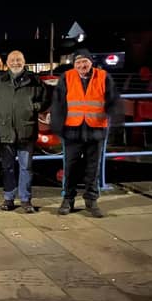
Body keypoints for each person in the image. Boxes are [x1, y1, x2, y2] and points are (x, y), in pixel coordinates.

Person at [50, 49, 120, 218]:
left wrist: (115, 124)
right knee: (70, 167)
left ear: (91, 62)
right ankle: (68, 199)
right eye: (78, 62)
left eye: (85, 62)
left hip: (95, 129)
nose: (82, 65)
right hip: (72, 129)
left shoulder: (103, 76)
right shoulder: (66, 77)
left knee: (93, 167)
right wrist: (59, 128)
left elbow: (113, 101)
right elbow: (58, 104)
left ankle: (91, 200)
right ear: (74, 65)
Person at [0, 50, 49, 213]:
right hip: (5, 130)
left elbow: (46, 99)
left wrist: (33, 107)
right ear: (7, 63)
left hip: (26, 130)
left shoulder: (35, 81)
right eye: (12, 60)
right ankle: (8, 198)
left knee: (26, 167)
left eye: (19, 60)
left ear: (24, 62)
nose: (15, 62)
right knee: (7, 167)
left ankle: (25, 199)